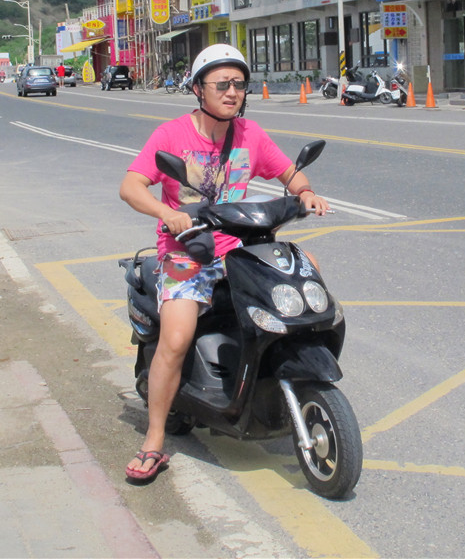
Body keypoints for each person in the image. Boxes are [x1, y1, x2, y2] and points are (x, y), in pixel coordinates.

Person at [119, 43, 329, 481]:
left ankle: (276, 376)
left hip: (238, 249)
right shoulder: (172, 134)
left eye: (239, 84)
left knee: (307, 267)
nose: (232, 92)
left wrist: (306, 192)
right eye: (222, 84)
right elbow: (132, 186)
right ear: (198, 89)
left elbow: (290, 174)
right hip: (183, 253)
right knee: (176, 337)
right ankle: (154, 439)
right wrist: (166, 213)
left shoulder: (250, 135)